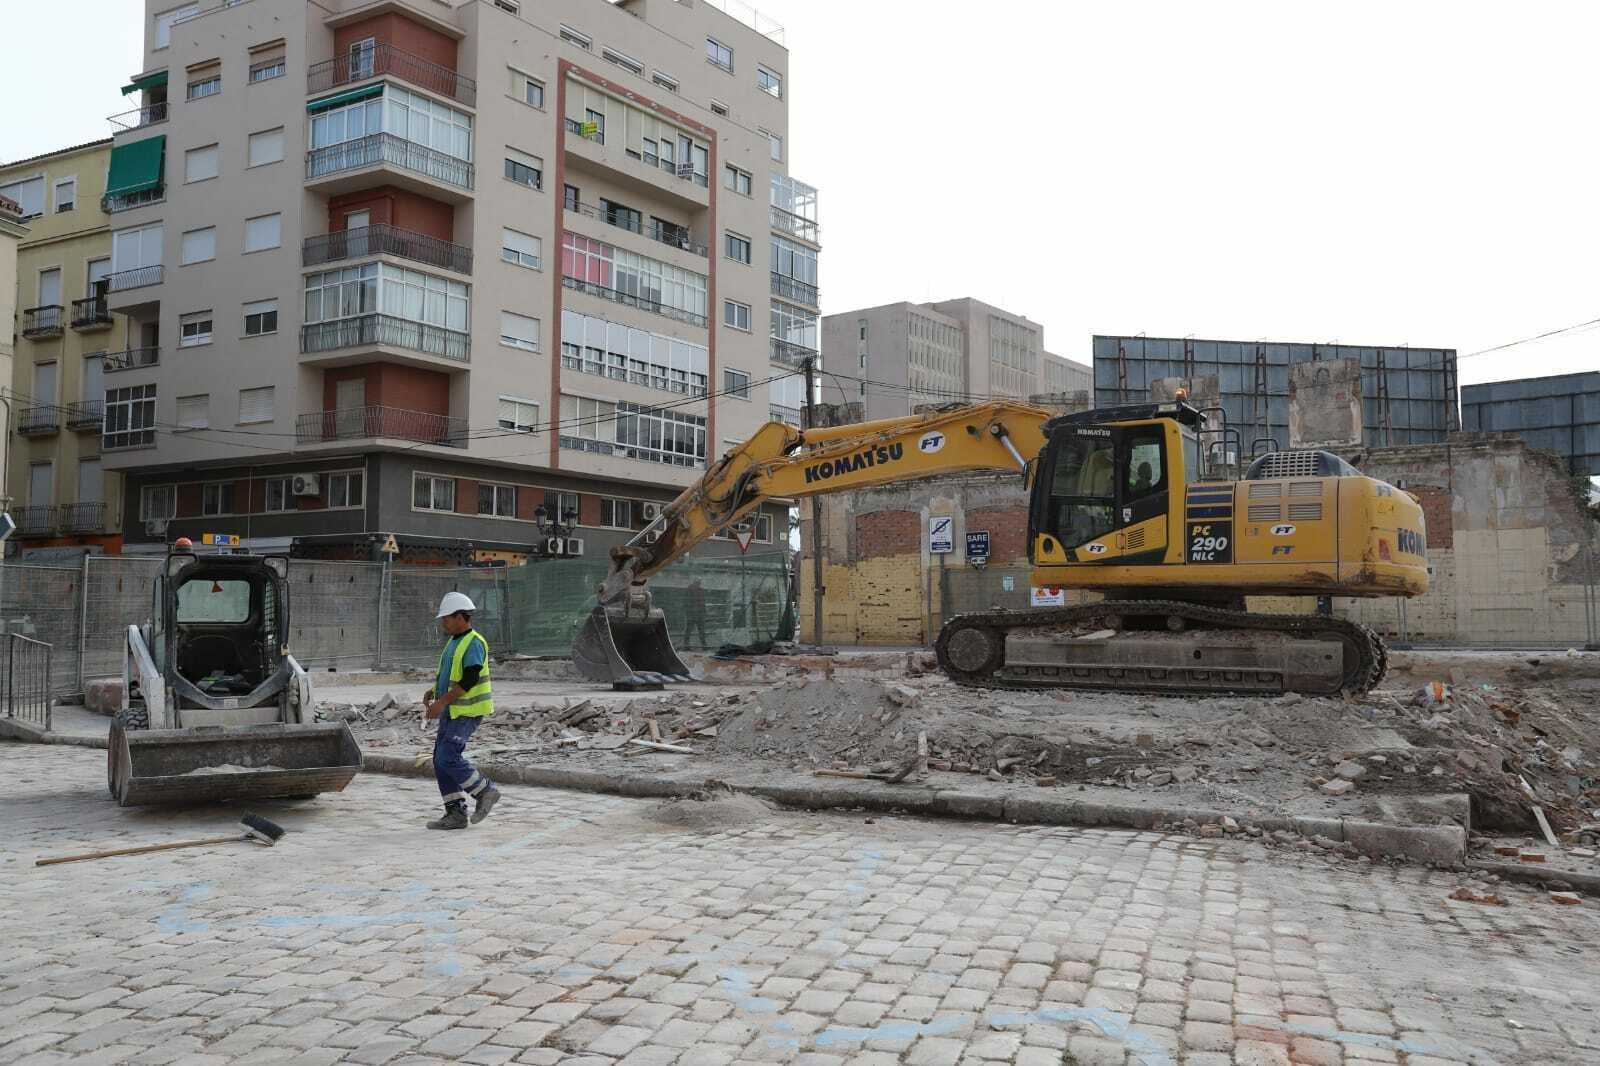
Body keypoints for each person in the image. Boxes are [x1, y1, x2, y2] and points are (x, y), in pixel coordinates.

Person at [423, 591, 500, 830]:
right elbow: (450, 676)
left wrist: (441, 703)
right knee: (440, 760)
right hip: (453, 710)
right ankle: (455, 812)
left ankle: (485, 791)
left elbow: (469, 680)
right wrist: (434, 692)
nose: (443, 623)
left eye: (446, 618)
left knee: (448, 757)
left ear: (459, 616)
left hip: (467, 711)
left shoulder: (474, 642)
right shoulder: (454, 642)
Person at [681, 577, 710, 649]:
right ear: (694, 582)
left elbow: (703, 602)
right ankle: (686, 645)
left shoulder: (701, 591)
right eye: (697, 582)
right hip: (691, 614)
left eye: (699, 582)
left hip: (699, 614)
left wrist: (704, 612)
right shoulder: (689, 590)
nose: (698, 584)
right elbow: (686, 602)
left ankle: (704, 645)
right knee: (689, 630)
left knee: (701, 630)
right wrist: (689, 612)